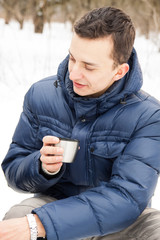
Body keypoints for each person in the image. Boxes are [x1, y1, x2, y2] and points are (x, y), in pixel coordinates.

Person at [1, 6, 160, 240]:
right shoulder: (40, 95)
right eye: (72, 58)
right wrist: (42, 167)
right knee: (16, 217)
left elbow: (127, 198)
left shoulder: (148, 116)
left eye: (88, 66)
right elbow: (14, 168)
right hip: (54, 203)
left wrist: (40, 224)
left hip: (122, 220)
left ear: (120, 71)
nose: (74, 73)